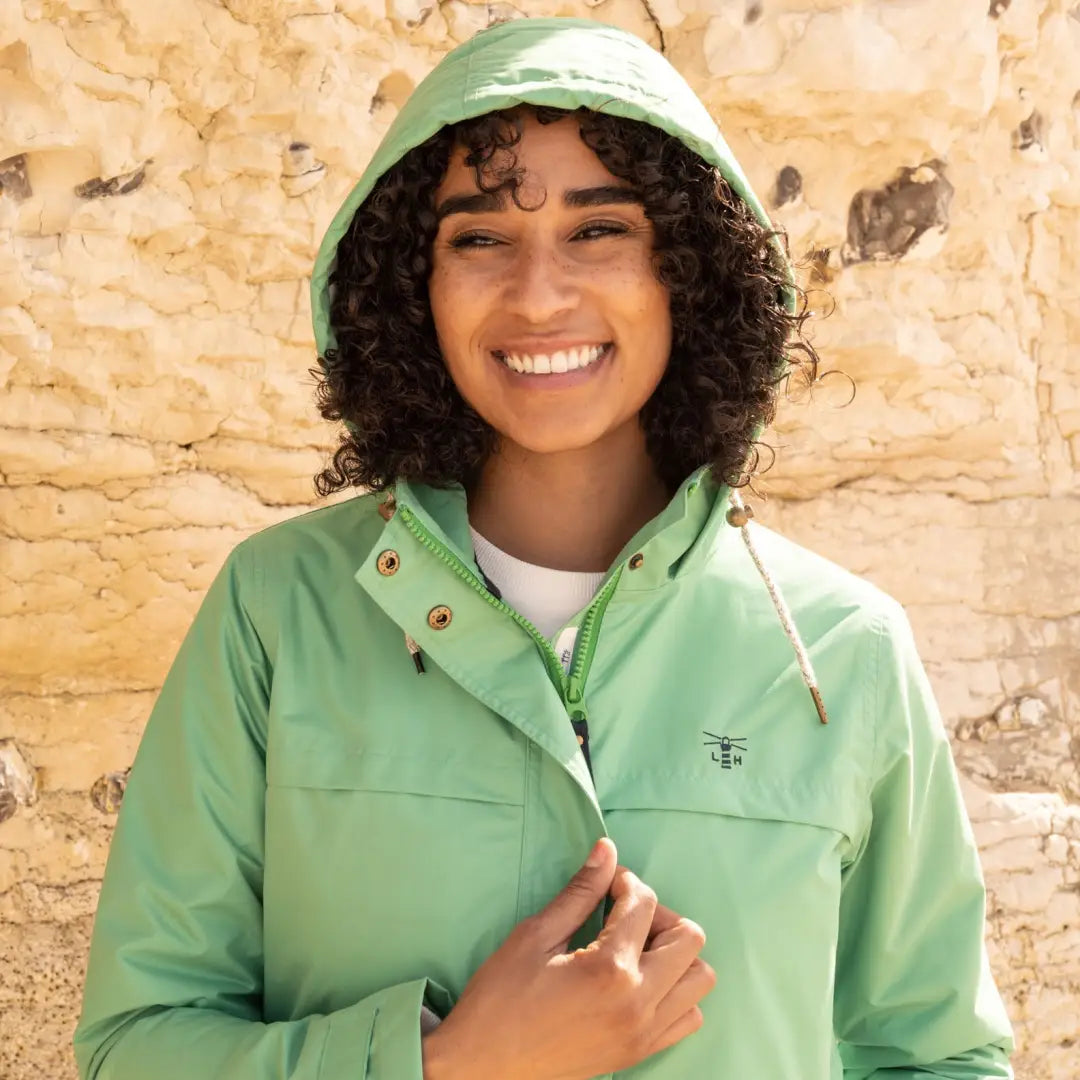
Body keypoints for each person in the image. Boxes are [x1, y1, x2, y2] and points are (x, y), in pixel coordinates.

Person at [73, 16, 1015, 1080]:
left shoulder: (844, 650)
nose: (538, 294)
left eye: (599, 228)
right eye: (478, 237)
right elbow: (135, 1045)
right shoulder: (277, 611)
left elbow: (940, 1060)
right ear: (408, 284)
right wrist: (448, 1067)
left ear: (687, 269)